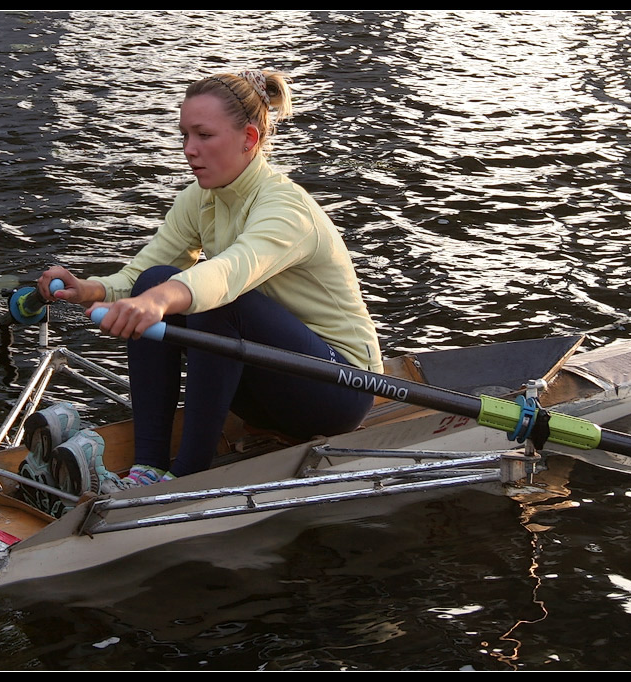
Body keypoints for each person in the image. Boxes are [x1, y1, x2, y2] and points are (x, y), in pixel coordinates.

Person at [36, 69, 383, 486]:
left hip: (340, 390)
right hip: (268, 386)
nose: (189, 150)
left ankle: (188, 475)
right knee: (155, 278)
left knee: (218, 300)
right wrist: (88, 289)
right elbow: (140, 275)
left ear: (249, 139)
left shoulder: (286, 209)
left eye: (203, 135)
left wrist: (161, 301)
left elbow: (230, 272)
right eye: (184, 136)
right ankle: (147, 468)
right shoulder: (200, 198)